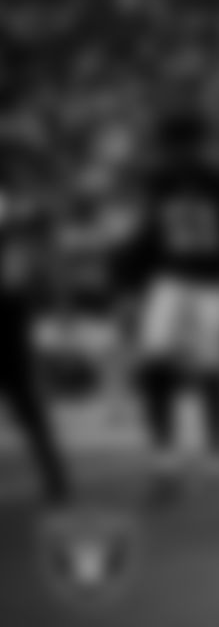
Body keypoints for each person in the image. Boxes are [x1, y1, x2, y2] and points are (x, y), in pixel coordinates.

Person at [131, 112, 219, 503]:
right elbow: (151, 232)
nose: (180, 155)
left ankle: (213, 456)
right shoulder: (164, 179)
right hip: (174, 279)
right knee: (155, 362)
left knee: (211, 369)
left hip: (207, 282)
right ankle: (167, 456)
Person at [0, 193, 72, 511]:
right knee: (29, 408)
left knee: (29, 408)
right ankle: (55, 479)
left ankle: (56, 479)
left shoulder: (16, 247)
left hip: (9, 327)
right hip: (11, 327)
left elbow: (25, 281)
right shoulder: (18, 245)